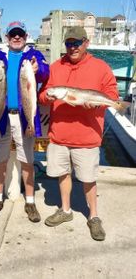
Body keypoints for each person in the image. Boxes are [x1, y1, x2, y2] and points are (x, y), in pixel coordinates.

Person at [39, 26, 119, 241]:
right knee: (62, 174)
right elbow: (43, 95)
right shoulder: (55, 67)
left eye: (77, 43)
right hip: (59, 135)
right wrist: (49, 97)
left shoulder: (100, 67)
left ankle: (93, 216)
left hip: (87, 137)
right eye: (69, 43)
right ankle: (65, 210)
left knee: (88, 178)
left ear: (86, 43)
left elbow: (111, 93)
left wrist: (95, 106)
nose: (72, 47)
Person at [0, 21, 49, 222]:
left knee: (27, 160)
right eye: (13, 34)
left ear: (26, 36)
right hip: (1, 116)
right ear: (7, 37)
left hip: (23, 117)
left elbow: (46, 72)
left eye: (20, 34)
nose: (17, 37)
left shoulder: (33, 55)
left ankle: (30, 202)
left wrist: (39, 70)